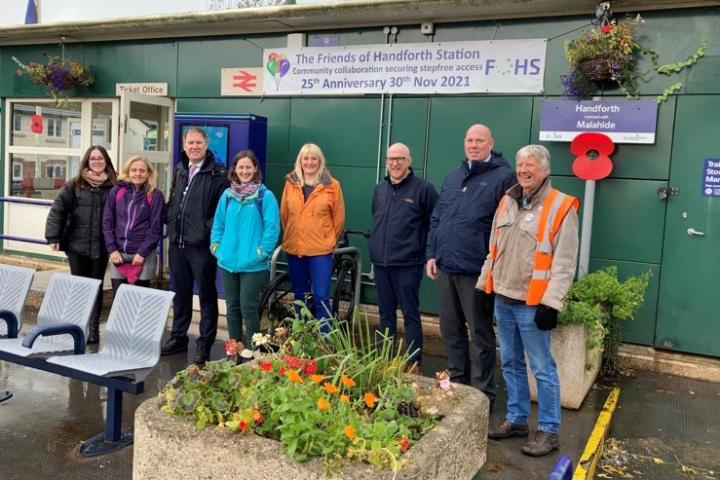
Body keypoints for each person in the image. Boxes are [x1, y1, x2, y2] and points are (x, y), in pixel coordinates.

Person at [478, 144, 579, 457]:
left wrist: (552, 304)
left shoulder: (561, 206)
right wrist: (484, 286)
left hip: (533, 304)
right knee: (510, 362)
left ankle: (548, 431)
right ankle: (517, 419)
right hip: (504, 300)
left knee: (542, 368)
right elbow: (493, 249)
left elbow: (564, 263)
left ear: (545, 170)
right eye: (520, 164)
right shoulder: (507, 201)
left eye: (530, 165)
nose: (523, 170)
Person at [425, 124, 516, 407]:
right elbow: (437, 218)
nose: (473, 145)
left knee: (480, 334)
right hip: (447, 267)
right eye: (469, 140)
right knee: (450, 329)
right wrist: (432, 253)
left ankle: (482, 395)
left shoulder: (504, 177)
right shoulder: (454, 175)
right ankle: (457, 382)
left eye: (479, 140)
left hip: (477, 271)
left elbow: (507, 227)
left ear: (491, 143)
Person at [369, 142, 438, 373]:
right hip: (381, 263)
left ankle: (413, 363)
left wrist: (429, 254)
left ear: (409, 161)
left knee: (410, 314)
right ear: (386, 162)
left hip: (408, 264)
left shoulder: (423, 190)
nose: (395, 163)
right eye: (391, 159)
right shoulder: (380, 189)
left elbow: (434, 225)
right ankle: (384, 361)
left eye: (400, 159)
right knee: (385, 314)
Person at [162, 127, 229, 364]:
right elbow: (174, 201)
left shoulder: (218, 173)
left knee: (207, 297)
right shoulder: (181, 170)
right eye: (190, 143)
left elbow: (222, 211)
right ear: (184, 145)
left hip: (201, 247)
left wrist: (205, 230)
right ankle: (178, 338)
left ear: (206, 144)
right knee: (180, 294)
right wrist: (170, 222)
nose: (194, 147)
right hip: (177, 243)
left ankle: (204, 344)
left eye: (198, 143)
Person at [45, 145, 118, 344]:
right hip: (77, 245)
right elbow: (57, 210)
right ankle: (78, 326)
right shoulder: (75, 185)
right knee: (79, 287)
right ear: (86, 161)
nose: (96, 161)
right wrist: (53, 237)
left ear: (106, 161)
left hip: (101, 246)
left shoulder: (115, 185)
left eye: (100, 158)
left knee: (96, 286)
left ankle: (93, 329)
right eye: (92, 158)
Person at [210, 150, 280, 348]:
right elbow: (218, 225)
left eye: (248, 166)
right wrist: (217, 248)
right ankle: (235, 353)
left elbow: (272, 228)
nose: (244, 170)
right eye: (241, 167)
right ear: (235, 169)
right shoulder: (227, 195)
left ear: (255, 169)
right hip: (227, 262)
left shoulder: (265, 196)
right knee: (232, 308)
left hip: (253, 264)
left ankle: (254, 354)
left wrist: (262, 253)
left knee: (248, 308)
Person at [280, 143, 345, 330]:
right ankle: (303, 338)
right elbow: (285, 215)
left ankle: (325, 341)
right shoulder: (291, 184)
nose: (309, 162)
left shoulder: (332, 186)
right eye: (305, 158)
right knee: (300, 296)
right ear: (300, 161)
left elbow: (338, 218)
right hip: (295, 249)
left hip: (320, 251)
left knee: (321, 296)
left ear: (320, 161)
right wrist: (294, 234)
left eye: (313, 158)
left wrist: (328, 239)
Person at [102, 155, 164, 294]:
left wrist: (142, 253)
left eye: (142, 170)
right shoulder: (117, 191)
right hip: (118, 254)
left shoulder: (155, 195)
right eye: (134, 170)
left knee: (139, 300)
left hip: (143, 256)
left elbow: (155, 228)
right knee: (119, 297)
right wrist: (112, 249)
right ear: (128, 172)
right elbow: (107, 222)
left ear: (148, 173)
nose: (137, 174)